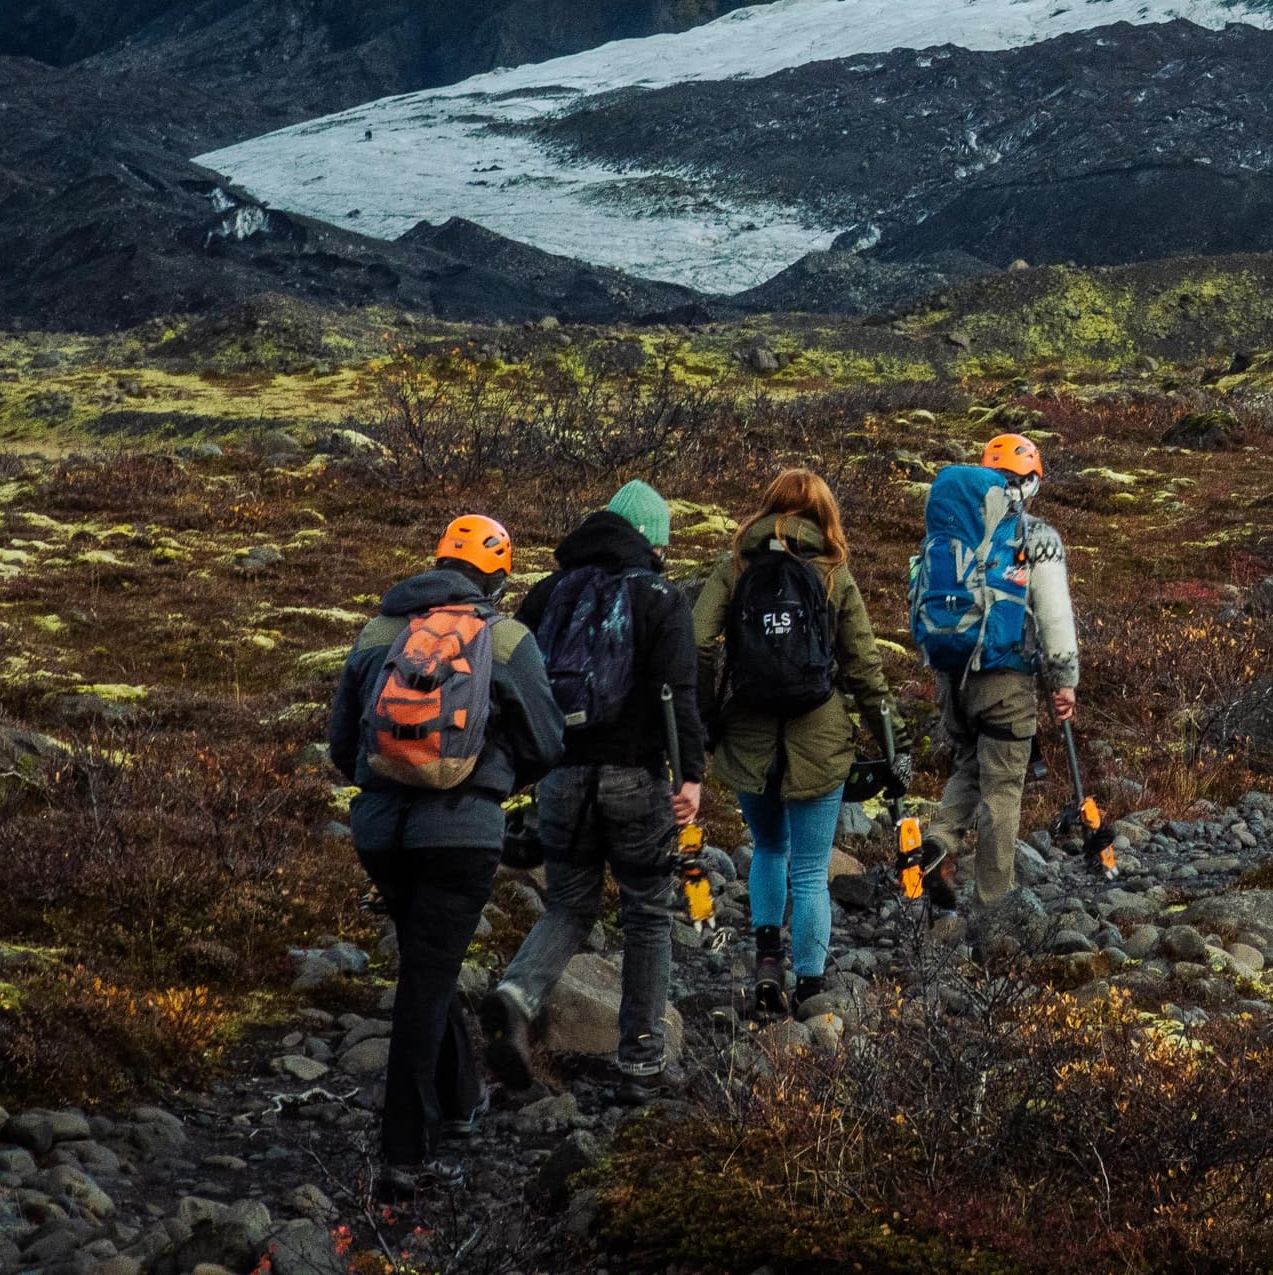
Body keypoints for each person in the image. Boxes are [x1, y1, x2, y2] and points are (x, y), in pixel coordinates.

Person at [325, 514, 563, 1204]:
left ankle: (458, 1099)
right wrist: (490, 781)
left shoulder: (379, 630)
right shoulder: (507, 637)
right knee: (425, 983)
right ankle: (404, 1156)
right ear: (498, 577)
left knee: (427, 966)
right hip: (460, 834)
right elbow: (548, 742)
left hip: (379, 831)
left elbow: (343, 742)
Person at [484, 478, 705, 1089]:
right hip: (636, 777)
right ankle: (641, 1059)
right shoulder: (660, 596)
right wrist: (690, 775)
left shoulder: (549, 591)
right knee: (648, 913)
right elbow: (678, 693)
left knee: (569, 905)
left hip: (561, 775)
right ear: (653, 541)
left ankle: (516, 994)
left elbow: (513, 682)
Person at [693, 467, 899, 1015]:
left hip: (747, 733)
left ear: (767, 507)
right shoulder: (833, 571)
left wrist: (706, 715)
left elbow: (698, 640)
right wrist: (891, 743)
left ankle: (767, 960)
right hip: (820, 734)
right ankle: (809, 986)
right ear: (824, 515)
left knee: (768, 847)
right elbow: (863, 666)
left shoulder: (736, 566)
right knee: (810, 871)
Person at [913, 430, 1079, 925]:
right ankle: (994, 906)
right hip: (1006, 680)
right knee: (1003, 788)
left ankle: (939, 843)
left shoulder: (953, 529)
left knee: (968, 763)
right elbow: (1054, 615)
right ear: (1031, 480)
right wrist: (1063, 680)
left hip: (951, 676)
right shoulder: (1036, 536)